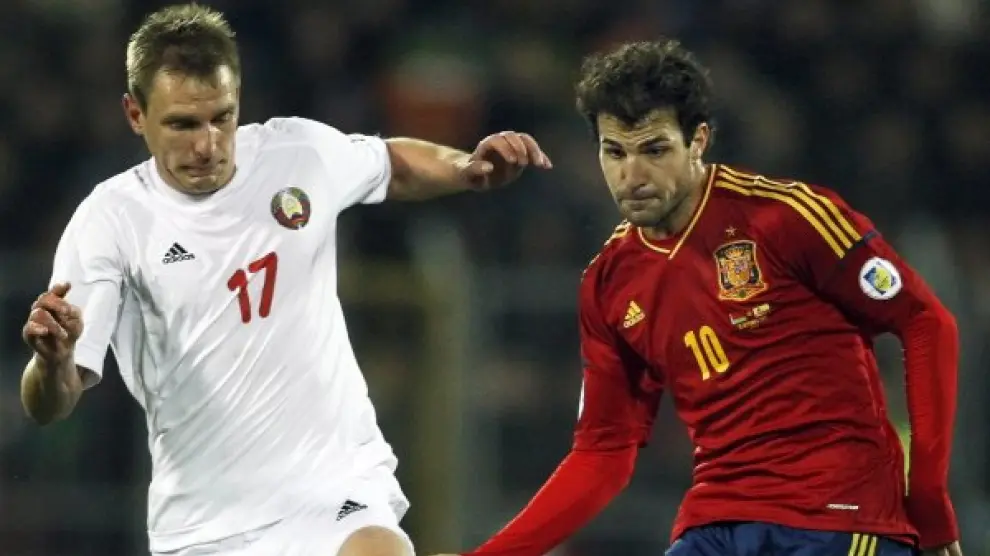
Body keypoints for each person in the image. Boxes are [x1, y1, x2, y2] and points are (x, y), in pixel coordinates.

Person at [20, 4, 552, 556]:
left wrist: (464, 168)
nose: (207, 144)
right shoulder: (111, 220)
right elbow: (50, 404)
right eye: (182, 124)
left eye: (221, 117)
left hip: (336, 488)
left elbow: (389, 163)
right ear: (136, 114)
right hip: (207, 524)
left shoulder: (295, 154)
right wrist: (52, 363)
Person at [433, 39, 962, 556]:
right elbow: (603, 452)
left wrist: (930, 503)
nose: (632, 175)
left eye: (654, 150)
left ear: (698, 141)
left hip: (840, 514)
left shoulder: (786, 218)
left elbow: (925, 321)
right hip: (716, 522)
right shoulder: (609, 283)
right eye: (614, 152)